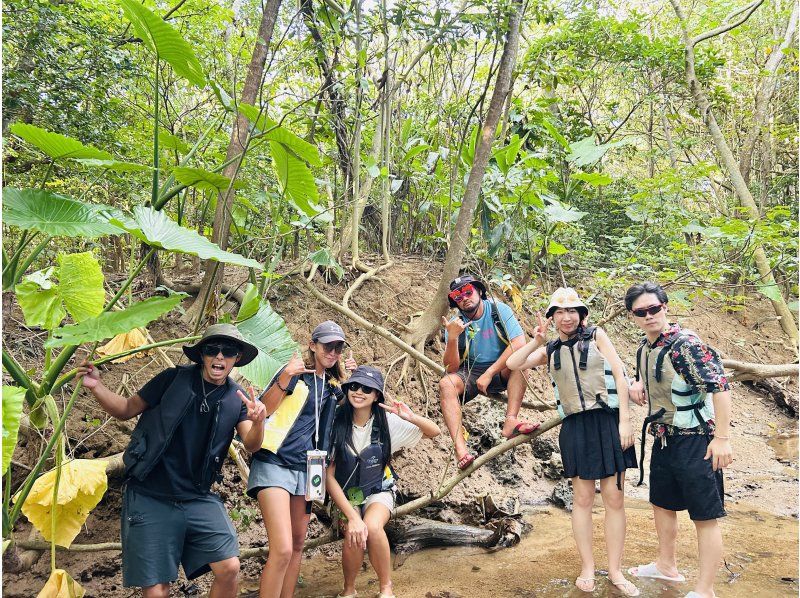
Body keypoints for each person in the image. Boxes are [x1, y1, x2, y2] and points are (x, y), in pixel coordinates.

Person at [75, 324, 266, 598]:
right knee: (156, 590)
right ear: (202, 355)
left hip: (196, 497)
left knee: (229, 567)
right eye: (213, 350)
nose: (220, 357)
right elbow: (126, 409)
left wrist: (258, 422)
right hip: (150, 493)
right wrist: (97, 386)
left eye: (228, 352)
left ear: (237, 359)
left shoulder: (237, 400)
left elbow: (252, 444)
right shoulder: (172, 379)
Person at [507, 288, 639, 596]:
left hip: (608, 421)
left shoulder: (597, 337)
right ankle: (588, 568)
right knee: (581, 500)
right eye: (559, 312)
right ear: (553, 318)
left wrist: (625, 421)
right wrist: (536, 341)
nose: (566, 317)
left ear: (582, 315)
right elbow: (514, 364)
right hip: (575, 426)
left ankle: (616, 570)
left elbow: (620, 377)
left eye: (572, 311)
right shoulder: (550, 349)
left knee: (615, 499)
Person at [624, 282, 733, 598]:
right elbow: (649, 379)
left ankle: (705, 589)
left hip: (696, 441)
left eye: (654, 309)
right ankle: (666, 566)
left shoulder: (686, 346)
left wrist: (722, 439)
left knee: (705, 515)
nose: (649, 316)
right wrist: (635, 385)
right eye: (641, 312)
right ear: (633, 316)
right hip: (663, 440)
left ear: (665, 306)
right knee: (662, 504)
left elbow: (721, 388)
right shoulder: (646, 348)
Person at [247, 320, 356, 598]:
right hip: (275, 461)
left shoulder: (333, 387)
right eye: (328, 346)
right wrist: (284, 378)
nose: (333, 352)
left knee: (297, 544)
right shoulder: (295, 374)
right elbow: (264, 409)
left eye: (338, 348)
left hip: (307, 469)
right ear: (313, 345)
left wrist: (351, 383)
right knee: (282, 547)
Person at [326, 365, 440, 598]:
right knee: (354, 531)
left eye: (367, 389)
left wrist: (410, 417)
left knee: (373, 527)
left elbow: (434, 432)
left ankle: (386, 588)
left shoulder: (388, 423)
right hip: (344, 492)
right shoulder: (336, 422)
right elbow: (328, 476)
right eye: (355, 386)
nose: (359, 392)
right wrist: (351, 515)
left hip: (379, 488)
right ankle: (349, 590)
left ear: (376, 395)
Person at [439, 274, 538, 470]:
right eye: (458, 296)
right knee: (445, 384)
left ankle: (510, 421)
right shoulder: (454, 324)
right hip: (470, 371)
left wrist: (490, 372)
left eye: (468, 292)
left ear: (480, 292)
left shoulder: (498, 310)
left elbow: (518, 344)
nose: (465, 298)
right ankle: (461, 451)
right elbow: (451, 369)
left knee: (522, 361)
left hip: (502, 368)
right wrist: (451, 339)